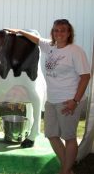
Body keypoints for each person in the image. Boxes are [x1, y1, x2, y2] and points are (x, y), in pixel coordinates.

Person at [5, 19, 91, 174]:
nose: (59, 33)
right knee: (51, 135)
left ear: (69, 33)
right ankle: (68, 167)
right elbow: (37, 40)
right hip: (51, 100)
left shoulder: (75, 51)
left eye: (63, 30)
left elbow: (85, 77)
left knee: (69, 137)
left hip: (69, 100)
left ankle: (65, 170)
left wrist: (75, 101)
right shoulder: (51, 46)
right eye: (56, 30)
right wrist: (19, 31)